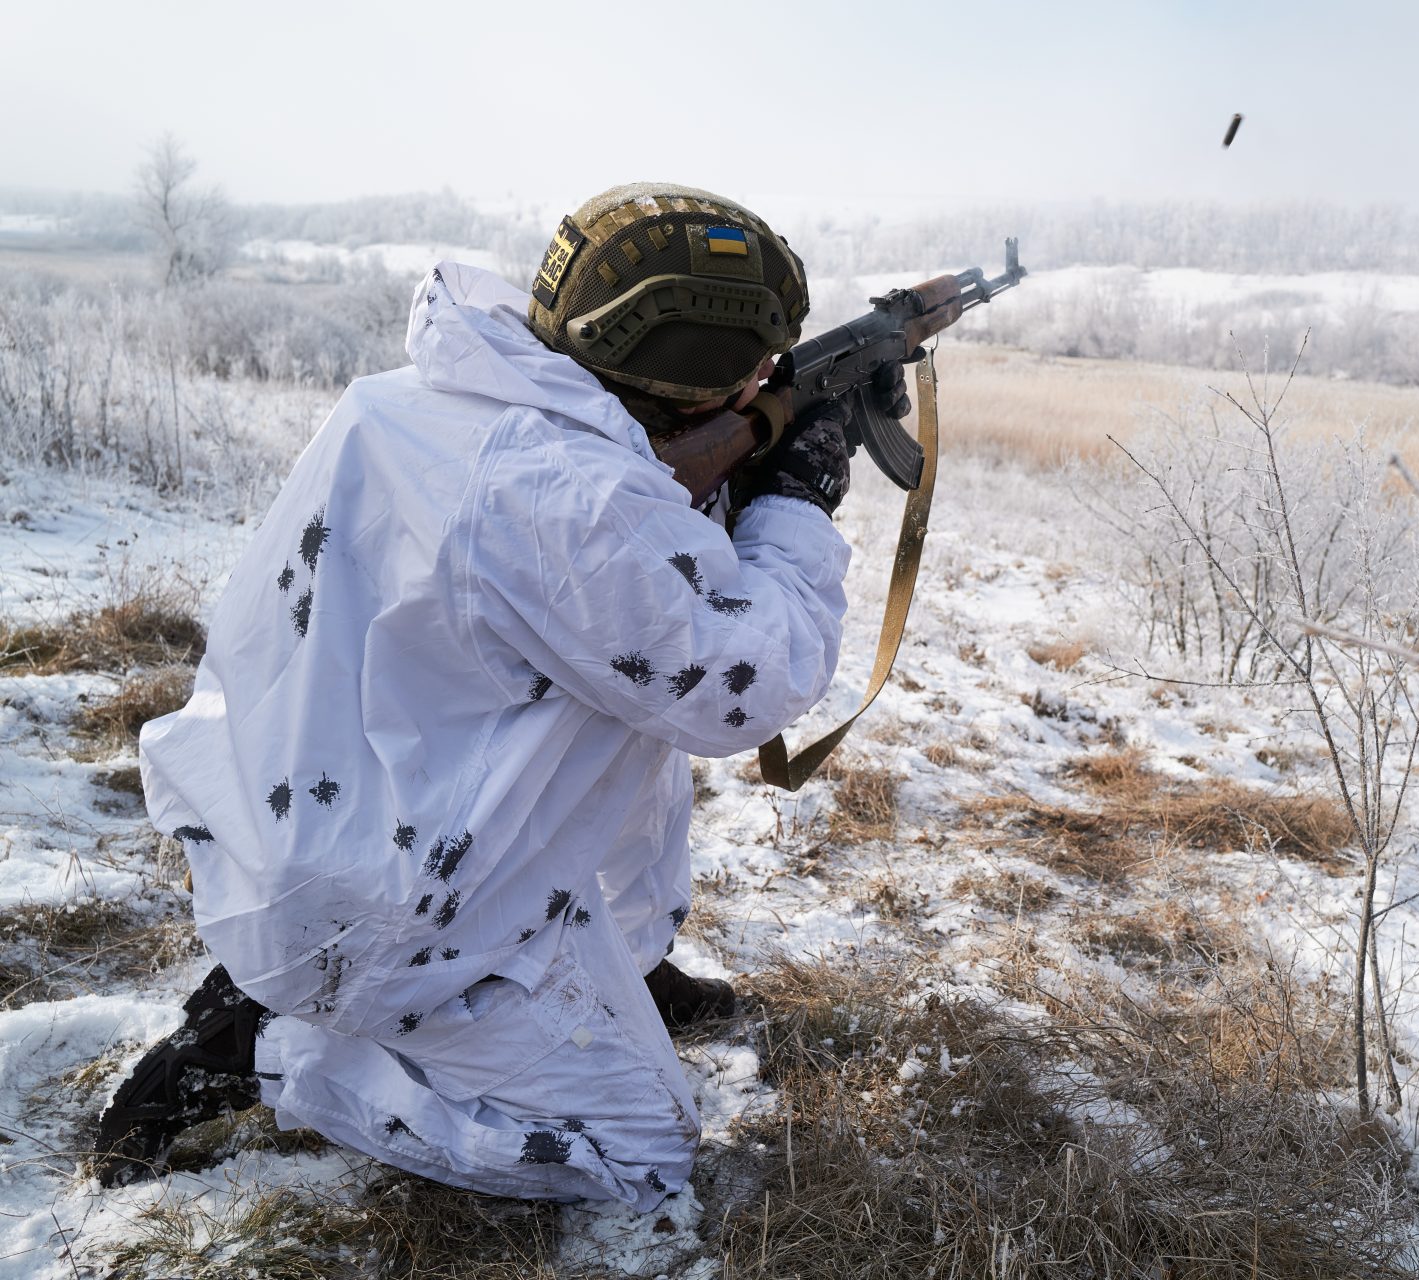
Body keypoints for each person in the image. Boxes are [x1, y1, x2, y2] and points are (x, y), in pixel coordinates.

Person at [93, 182, 906, 1207]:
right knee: (642, 1156)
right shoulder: (567, 498)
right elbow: (740, 687)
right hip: (381, 915)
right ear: (687, 384)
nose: (763, 383)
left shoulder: (432, 397)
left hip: (326, 824)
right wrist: (793, 499)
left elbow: (614, 582)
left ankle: (627, 961)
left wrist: (735, 459)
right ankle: (277, 1046)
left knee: (616, 706)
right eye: (750, 371)